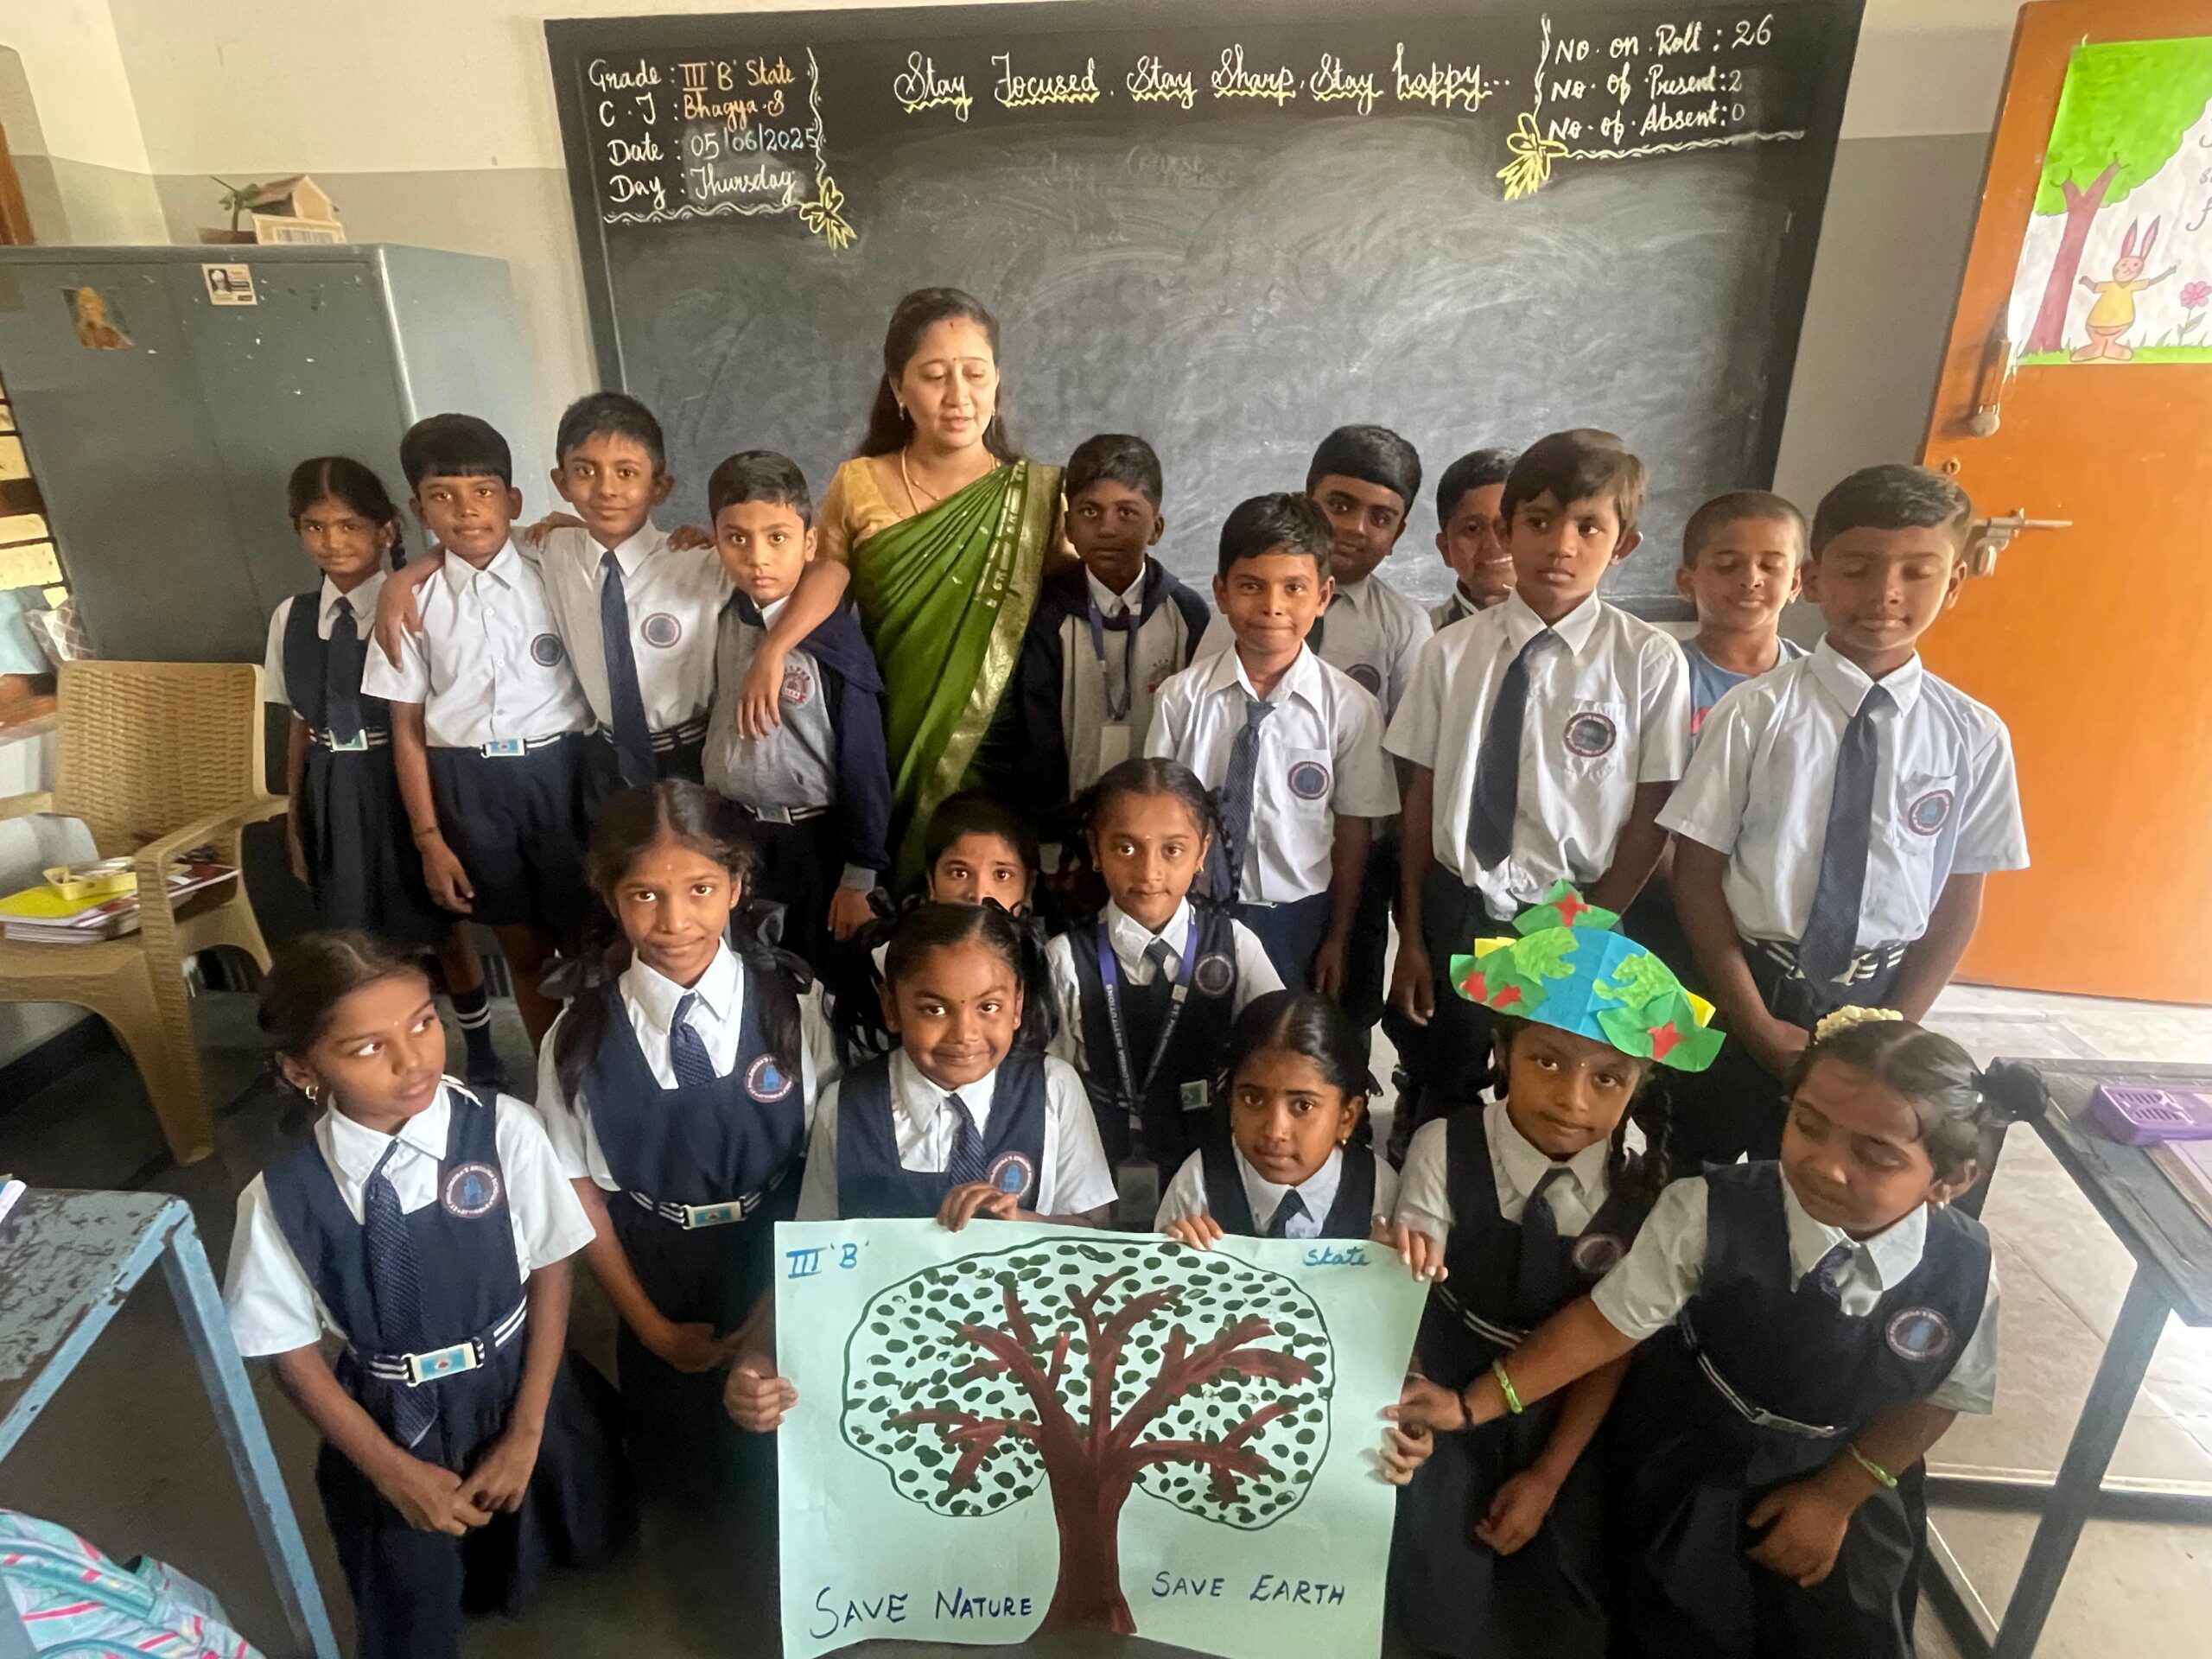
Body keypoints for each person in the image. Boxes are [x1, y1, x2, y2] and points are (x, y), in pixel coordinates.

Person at [1400, 1011, 2033, 1659]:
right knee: (1670, 1619)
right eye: (1809, 1124)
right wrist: (1471, 1405)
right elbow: (1604, 1323)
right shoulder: (1704, 1209)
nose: (1826, 1166)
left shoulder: (1966, 1272)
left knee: (1847, 1630)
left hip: (1848, 1465)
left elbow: (1939, 1396)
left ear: (1951, 1181)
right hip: (1695, 1453)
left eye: (1875, 1155)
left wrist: (1838, 1496)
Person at [222, 932, 630, 1659]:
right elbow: (289, 1354)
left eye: (423, 1023)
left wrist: (526, 1431)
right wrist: (392, 1472)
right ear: (301, 1068)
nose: (413, 1062)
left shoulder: (504, 1130)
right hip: (392, 1421)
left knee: (569, 1525)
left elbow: (551, 1267)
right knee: (409, 1602)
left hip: (520, 1380)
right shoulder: (281, 1198)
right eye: (368, 1047)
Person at [1376, 888, 1721, 1659]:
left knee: (1569, 1598)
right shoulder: (1444, 1146)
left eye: (1608, 1079)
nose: (1571, 1100)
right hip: (1444, 1382)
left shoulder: (1649, 1196)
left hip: (1570, 1414)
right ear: (1502, 1052)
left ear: (1641, 1083)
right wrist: (1415, 1392)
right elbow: (1406, 1295)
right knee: (1428, 1584)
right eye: (1546, 1061)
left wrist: (1550, 1473)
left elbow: (1610, 1342)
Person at [1659, 465, 2028, 1166]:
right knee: (1700, 1165)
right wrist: (1755, 1022)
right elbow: (1697, 876)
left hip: (1881, 992)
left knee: (1834, 1174)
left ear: (1954, 583)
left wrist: (1894, 1032)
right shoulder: (1753, 712)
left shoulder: (1973, 736)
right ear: (1815, 579)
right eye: (1858, 569)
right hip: (1750, 983)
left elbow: (1959, 901)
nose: (1885, 593)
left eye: (1917, 572)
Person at [535, 781, 838, 1502]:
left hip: (776, 1248)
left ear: (736, 885)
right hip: (654, 1268)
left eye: (700, 889)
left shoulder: (795, 1008)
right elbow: (578, 1188)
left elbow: (826, 1161)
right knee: (681, 1474)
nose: (674, 922)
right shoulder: (575, 1037)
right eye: (645, 895)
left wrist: (776, 1306)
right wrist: (651, 1327)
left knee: (784, 1456)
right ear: (610, 897)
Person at [722, 901, 1118, 1433]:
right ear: (892, 1007)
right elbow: (808, 1263)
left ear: (1018, 1005)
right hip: (891, 1384)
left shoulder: (1055, 1089)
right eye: (934, 1009)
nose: (964, 1034)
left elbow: (1099, 1240)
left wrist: (1023, 1224)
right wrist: (757, 1358)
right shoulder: (846, 1106)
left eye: (989, 1007)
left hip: (1030, 1383)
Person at [1386, 429, 1690, 1121]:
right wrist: (1412, 935)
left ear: (1623, 544)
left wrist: (1590, 928)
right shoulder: (1448, 653)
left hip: (1580, 906)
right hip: (1461, 904)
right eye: (1540, 521)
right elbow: (1419, 799)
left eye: (1589, 527)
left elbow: (1653, 811)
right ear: (1508, 531)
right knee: (1447, 1064)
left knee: (1557, 1082)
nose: (1561, 545)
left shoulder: (1648, 660)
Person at [734, 287, 1066, 874]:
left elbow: (1080, 598)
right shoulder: (858, 482)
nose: (958, 396)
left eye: (975, 374)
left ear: (997, 382)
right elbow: (826, 575)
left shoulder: (1039, 494)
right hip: (889, 734)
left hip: (1002, 744)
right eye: (935, 376)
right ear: (898, 389)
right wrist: (774, 648)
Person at [264, 455, 505, 1094]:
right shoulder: (292, 618)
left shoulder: (417, 602)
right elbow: (297, 725)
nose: (333, 543)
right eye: (315, 528)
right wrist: (295, 818)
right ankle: (377, 1059)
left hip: (400, 781)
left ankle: (482, 1051)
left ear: (387, 529)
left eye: (350, 526)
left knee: (439, 927)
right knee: (350, 935)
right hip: (331, 787)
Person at [362, 414, 594, 1043]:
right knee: (524, 951)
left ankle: (605, 1071)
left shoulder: (554, 564)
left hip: (564, 775)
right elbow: (406, 728)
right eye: (442, 497)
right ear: (418, 510)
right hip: (469, 786)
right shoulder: (410, 603)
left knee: (592, 942)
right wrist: (429, 839)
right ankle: (552, 1074)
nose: (466, 511)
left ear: (513, 501)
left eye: (484, 492)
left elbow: (611, 539)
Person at [372, 393, 725, 804]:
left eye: (626, 472)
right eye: (585, 471)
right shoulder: (553, 548)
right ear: (561, 482)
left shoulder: (701, 562)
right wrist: (401, 581)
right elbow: (473, 541)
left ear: (659, 487)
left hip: (692, 753)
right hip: (604, 761)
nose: (607, 490)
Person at [1146, 493, 1399, 990]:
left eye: (1294, 588)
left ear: (1322, 596)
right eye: (1251, 586)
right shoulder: (1181, 698)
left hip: (1298, 918)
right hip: (1191, 909)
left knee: (1283, 1032)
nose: (1272, 606)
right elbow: (1155, 815)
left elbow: (1353, 831)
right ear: (1220, 593)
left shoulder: (1350, 709)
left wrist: (1337, 937)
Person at [1046, 758, 1281, 1179]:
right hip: (1094, 1166)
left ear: (1201, 852)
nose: (1149, 872)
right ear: (1096, 850)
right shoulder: (1065, 961)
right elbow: (1049, 1088)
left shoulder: (1235, 947)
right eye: (1126, 848)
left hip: (1212, 1168)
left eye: (1172, 850)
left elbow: (1279, 1057)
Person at [700, 449, 891, 968]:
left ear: (809, 543)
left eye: (777, 538)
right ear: (715, 540)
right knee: (750, 971)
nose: (757, 558)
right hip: (735, 834)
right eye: (737, 538)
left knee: (824, 972)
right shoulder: (721, 616)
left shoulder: (834, 642)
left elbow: (863, 763)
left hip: (813, 841)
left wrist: (861, 873)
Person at [1014, 433, 1210, 854]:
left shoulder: (1187, 615)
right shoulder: (1046, 615)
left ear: (1156, 527)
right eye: (1090, 511)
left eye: (1127, 512)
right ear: (1068, 526)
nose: (1107, 528)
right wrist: (1053, 839)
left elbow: (1199, 733)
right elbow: (1036, 739)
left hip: (1161, 839)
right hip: (1067, 837)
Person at [1155, 989, 1395, 1243]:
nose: (1274, 1131)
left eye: (1303, 1105)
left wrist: (1390, 1259)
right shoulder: (1199, 1183)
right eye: (1252, 1099)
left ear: (1346, 1118)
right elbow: (1156, 1265)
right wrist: (1174, 1253)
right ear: (1230, 1100)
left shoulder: (1376, 1190)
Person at [1674, 490, 1808, 746]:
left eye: (1770, 566)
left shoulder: (1817, 681)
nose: (1750, 579)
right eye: (1727, 564)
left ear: (1794, 584)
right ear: (1688, 583)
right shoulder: (1662, 674)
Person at [1431, 447, 1519, 630]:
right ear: (1445, 548)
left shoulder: (1578, 629)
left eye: (1509, 525)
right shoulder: (1424, 637)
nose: (1494, 545)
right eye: (1472, 529)